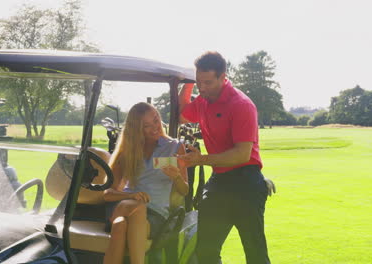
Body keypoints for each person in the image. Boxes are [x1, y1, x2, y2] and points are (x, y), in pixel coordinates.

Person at [177, 51, 271, 264]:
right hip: (220, 181)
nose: (203, 88)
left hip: (246, 183)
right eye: (199, 82)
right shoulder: (203, 100)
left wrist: (201, 160)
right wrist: (188, 82)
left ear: (223, 76)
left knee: (255, 253)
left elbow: (241, 154)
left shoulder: (241, 105)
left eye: (208, 82)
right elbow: (181, 114)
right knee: (206, 250)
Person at [102, 102, 188, 264]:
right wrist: (132, 195)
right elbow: (107, 194)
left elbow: (184, 191)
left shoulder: (175, 148)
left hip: (156, 214)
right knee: (137, 206)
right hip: (124, 207)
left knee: (120, 225)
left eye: (155, 120)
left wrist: (176, 177)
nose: (155, 127)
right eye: (146, 126)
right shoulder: (127, 152)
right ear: (136, 130)